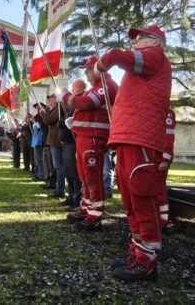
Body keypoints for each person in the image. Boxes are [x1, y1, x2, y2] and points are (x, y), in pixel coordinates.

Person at [95, 25, 171, 282]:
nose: (135, 41)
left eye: (140, 37)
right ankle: (139, 253)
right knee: (130, 202)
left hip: (141, 140)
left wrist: (103, 63)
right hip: (129, 138)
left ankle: (147, 261)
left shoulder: (155, 57)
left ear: (156, 42)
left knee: (142, 201)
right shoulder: (145, 63)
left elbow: (118, 56)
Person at [60, 56, 118, 230]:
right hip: (84, 137)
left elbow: (86, 103)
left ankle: (95, 215)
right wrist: (75, 120)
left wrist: (65, 96)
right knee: (84, 175)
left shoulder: (107, 87)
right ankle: (86, 208)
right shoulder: (96, 88)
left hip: (94, 138)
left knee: (92, 175)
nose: (85, 72)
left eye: (88, 69)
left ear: (98, 69)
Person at [37, 95, 65, 199]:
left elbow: (48, 120)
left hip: (57, 140)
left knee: (58, 166)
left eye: (51, 98)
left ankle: (60, 189)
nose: (48, 100)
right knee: (56, 166)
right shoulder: (55, 109)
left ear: (56, 99)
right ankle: (57, 187)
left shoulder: (59, 108)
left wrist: (42, 113)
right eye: (47, 98)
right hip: (54, 140)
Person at [156, 108, 177, 229]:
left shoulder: (167, 112)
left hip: (161, 157)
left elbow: (169, 137)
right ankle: (156, 218)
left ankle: (162, 220)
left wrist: (165, 159)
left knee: (159, 189)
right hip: (154, 156)